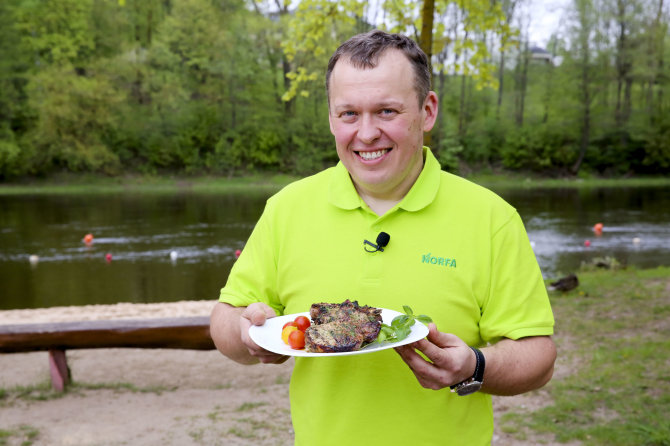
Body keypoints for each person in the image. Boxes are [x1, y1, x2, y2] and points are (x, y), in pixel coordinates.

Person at [210, 29, 556, 445]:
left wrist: (475, 366)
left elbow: (538, 356)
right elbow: (224, 320)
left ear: (427, 111)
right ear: (331, 119)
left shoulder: (492, 218)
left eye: (387, 111)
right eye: (349, 114)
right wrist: (249, 335)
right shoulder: (287, 208)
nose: (367, 133)